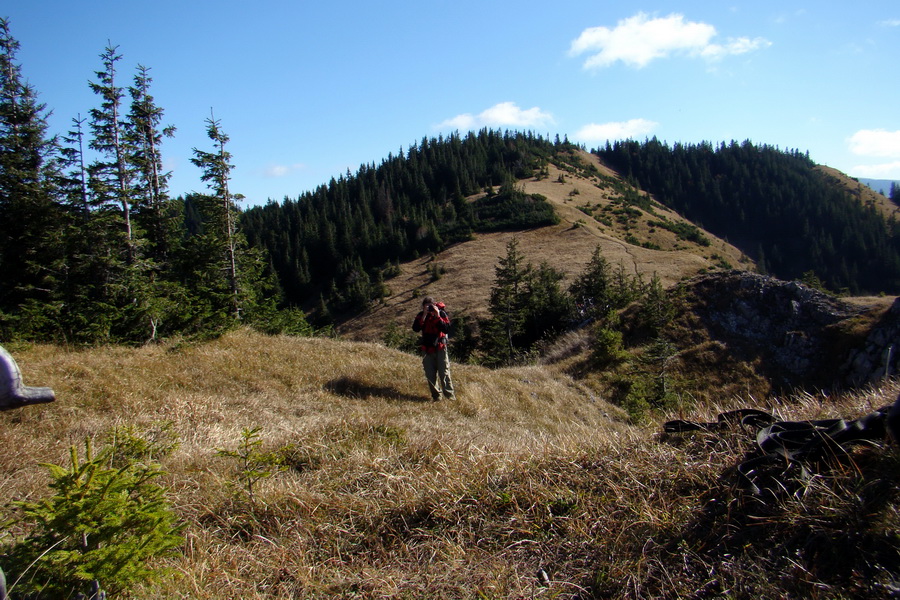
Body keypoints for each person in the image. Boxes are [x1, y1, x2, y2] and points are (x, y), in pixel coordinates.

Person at [411, 296, 455, 401]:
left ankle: (450, 397)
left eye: (431, 306)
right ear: (423, 307)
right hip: (427, 349)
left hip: (440, 348)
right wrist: (425, 315)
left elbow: (446, 329)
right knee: (430, 375)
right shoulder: (421, 316)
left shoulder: (442, 314)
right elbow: (416, 328)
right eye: (426, 306)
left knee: (444, 373)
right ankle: (436, 397)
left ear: (435, 305)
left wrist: (437, 315)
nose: (429, 308)